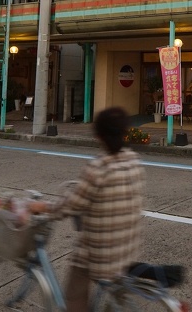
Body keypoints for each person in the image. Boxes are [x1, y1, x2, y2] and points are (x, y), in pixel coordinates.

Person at [29, 106, 145, 311]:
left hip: (101, 254)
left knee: (74, 290)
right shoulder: (134, 161)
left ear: (99, 136)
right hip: (128, 249)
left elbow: (69, 206)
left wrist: (43, 207)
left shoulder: (98, 168)